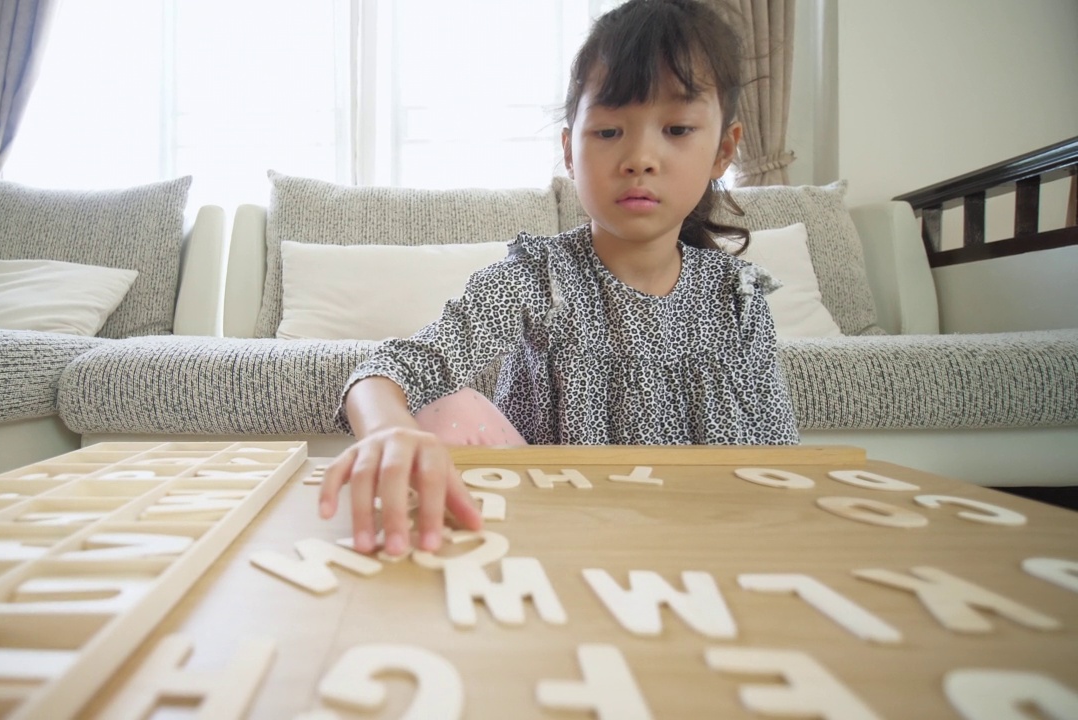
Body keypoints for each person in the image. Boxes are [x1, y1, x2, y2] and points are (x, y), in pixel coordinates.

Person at [319, 0, 799, 557]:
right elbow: (387, 370)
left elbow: (780, 464)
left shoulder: (736, 298)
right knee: (449, 413)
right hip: (542, 538)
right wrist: (386, 431)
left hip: (699, 545)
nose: (640, 157)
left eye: (677, 128)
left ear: (724, 150)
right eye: (610, 131)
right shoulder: (537, 277)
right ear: (569, 149)